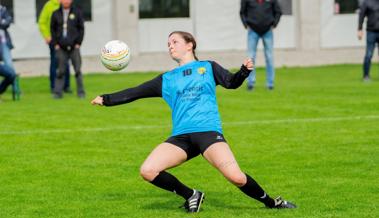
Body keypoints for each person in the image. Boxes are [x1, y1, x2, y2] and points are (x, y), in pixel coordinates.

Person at [91, 31, 296, 213]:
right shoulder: (167, 79)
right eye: (168, 44)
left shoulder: (208, 67)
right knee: (148, 170)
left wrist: (243, 71)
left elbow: (231, 83)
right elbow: (135, 92)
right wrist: (106, 99)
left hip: (208, 133)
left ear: (190, 44)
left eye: (174, 42)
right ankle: (191, 195)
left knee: (237, 177)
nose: (170, 46)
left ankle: (272, 203)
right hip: (181, 137)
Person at [240, 0, 282, 90]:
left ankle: (270, 84)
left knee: (269, 57)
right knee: (251, 57)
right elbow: (242, 12)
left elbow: (278, 11)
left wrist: (274, 24)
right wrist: (245, 24)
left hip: (267, 31)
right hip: (252, 31)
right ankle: (250, 83)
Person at [51, 0, 85, 99]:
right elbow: (52, 29)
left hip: (74, 47)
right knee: (60, 70)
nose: (66, 1)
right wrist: (55, 44)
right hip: (61, 47)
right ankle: (58, 93)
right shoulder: (55, 13)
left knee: (77, 70)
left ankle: (81, 92)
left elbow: (81, 28)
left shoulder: (77, 12)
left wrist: (78, 43)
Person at [38, 0, 72, 93]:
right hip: (54, 40)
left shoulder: (67, 4)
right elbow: (42, 22)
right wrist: (47, 36)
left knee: (66, 63)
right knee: (54, 62)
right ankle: (54, 86)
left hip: (66, 41)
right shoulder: (49, 5)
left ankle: (66, 86)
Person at [358, 0, 379, 82]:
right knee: (369, 54)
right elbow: (361, 15)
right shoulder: (367, 2)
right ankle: (366, 76)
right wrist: (359, 29)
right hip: (371, 32)